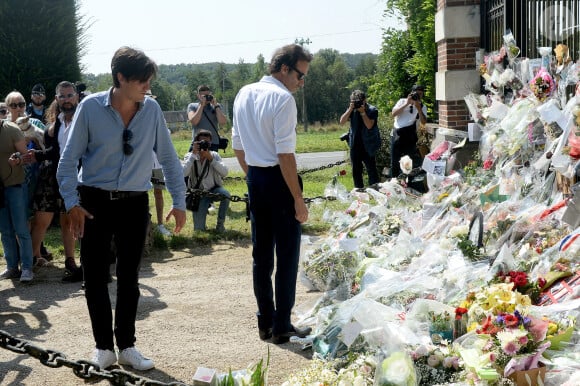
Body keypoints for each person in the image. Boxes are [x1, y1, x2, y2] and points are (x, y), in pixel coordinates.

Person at [56, 46, 186, 371]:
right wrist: (72, 204)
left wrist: (179, 202)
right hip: (94, 202)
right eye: (142, 80)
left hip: (134, 204)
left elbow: (169, 159)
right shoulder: (89, 108)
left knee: (129, 279)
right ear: (121, 78)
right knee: (96, 278)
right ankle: (103, 349)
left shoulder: (152, 110)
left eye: (149, 81)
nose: (147, 87)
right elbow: (67, 162)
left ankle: (127, 346)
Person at [232, 43, 313, 344]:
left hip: (255, 175)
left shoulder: (244, 92)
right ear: (284, 68)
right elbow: (285, 156)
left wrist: (253, 174)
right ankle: (282, 323)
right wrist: (298, 198)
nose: (301, 82)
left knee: (261, 255)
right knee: (288, 254)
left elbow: (238, 146)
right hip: (279, 180)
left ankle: (265, 321)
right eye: (300, 75)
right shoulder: (283, 99)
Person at [28, 81, 82, 282]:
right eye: (62, 96)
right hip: (51, 176)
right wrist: (36, 155)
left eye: (69, 95)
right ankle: (31, 260)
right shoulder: (55, 123)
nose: (66, 100)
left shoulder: (83, 120)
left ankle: (70, 261)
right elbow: (54, 152)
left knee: (68, 221)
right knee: (42, 220)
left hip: (75, 176)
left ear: (76, 97)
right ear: (57, 99)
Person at [0, 119, 35, 282]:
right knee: (5, 230)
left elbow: (29, 156)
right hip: (0, 189)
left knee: (21, 229)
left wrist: (18, 160)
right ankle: (12, 267)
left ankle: (27, 268)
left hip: (16, 186)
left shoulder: (11, 129)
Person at [183, 129, 230, 232]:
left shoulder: (214, 155)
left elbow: (225, 172)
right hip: (198, 194)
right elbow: (183, 173)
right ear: (196, 143)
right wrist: (193, 155)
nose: (204, 145)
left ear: (210, 143)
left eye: (207, 142)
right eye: (201, 142)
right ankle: (202, 219)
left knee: (226, 195)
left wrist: (211, 160)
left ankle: (220, 225)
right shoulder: (189, 156)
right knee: (199, 231)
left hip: (214, 190)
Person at [339, 90, 381, 188]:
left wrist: (363, 113)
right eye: (354, 102)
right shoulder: (352, 109)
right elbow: (341, 122)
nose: (357, 104)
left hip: (368, 145)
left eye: (359, 101)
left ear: (365, 100)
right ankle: (359, 191)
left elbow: (369, 125)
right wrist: (350, 109)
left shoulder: (372, 110)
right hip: (355, 144)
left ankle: (374, 190)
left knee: (371, 170)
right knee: (356, 171)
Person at [390, 84, 427, 178]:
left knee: (409, 162)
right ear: (411, 93)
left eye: (420, 94)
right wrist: (407, 103)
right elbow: (393, 114)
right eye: (417, 94)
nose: (418, 96)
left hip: (409, 135)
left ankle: (408, 182)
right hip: (397, 135)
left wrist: (418, 108)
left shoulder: (422, 106)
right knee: (394, 162)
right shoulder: (402, 101)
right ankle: (394, 181)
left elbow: (423, 122)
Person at [187, 85, 227, 151]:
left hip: (213, 143)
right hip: (197, 142)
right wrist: (201, 105)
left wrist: (216, 106)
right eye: (204, 96)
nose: (206, 98)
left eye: (208, 95)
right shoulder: (192, 106)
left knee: (212, 161)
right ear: (198, 96)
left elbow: (223, 122)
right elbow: (194, 121)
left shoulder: (216, 106)